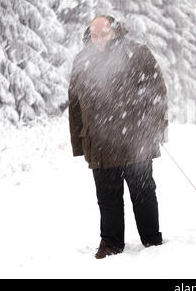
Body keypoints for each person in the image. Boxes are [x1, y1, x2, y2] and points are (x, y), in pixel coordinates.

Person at [68, 15, 168, 258]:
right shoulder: (83, 60)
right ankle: (111, 243)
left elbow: (157, 92)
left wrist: (152, 129)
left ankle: (152, 240)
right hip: (100, 143)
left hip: (135, 141)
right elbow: (75, 104)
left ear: (115, 32)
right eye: (94, 35)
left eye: (103, 34)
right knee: (107, 197)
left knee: (143, 194)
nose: (98, 40)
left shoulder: (137, 53)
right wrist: (80, 143)